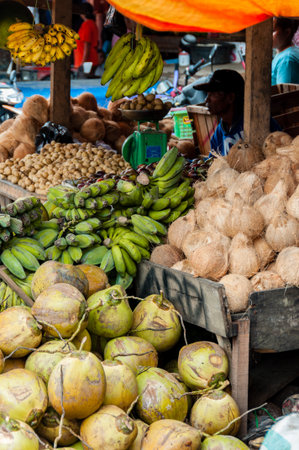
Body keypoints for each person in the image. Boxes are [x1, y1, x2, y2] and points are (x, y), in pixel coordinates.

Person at [193, 69, 281, 157]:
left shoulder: (259, 124)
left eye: (213, 94)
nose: (207, 100)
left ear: (230, 98)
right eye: (207, 94)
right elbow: (212, 163)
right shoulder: (218, 135)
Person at [74, 2, 99, 77]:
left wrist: (83, 63)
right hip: (90, 61)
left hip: (87, 63)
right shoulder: (92, 23)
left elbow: (87, 45)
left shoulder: (87, 24)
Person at [272, 17, 299, 86]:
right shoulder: (285, 53)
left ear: (287, 32)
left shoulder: (287, 60)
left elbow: (285, 94)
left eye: (273, 31)